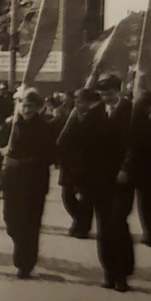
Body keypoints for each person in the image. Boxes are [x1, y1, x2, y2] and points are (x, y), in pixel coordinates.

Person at [0, 89, 57, 279]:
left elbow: (48, 157)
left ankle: (25, 264)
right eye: (24, 105)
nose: (26, 109)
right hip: (11, 181)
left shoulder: (45, 127)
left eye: (31, 106)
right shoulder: (10, 124)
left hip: (34, 182)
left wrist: (22, 163)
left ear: (39, 108)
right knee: (11, 221)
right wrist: (1, 150)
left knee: (30, 224)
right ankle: (21, 249)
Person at [92, 74, 134, 292]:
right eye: (103, 94)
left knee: (118, 224)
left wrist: (126, 168)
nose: (106, 98)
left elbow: (137, 144)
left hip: (122, 179)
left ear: (119, 91)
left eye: (110, 94)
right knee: (104, 227)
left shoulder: (131, 112)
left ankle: (122, 274)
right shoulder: (95, 112)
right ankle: (108, 271)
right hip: (100, 180)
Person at [56, 89, 104, 239]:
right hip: (69, 162)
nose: (77, 102)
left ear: (89, 102)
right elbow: (61, 134)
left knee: (86, 198)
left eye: (81, 100)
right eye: (76, 99)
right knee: (67, 196)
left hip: (88, 163)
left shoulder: (98, 116)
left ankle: (81, 227)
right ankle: (80, 221)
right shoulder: (71, 114)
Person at [126, 91, 151, 247]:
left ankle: (150, 233)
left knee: (146, 201)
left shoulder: (137, 119)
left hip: (143, 167)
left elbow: (133, 145)